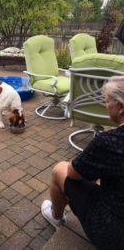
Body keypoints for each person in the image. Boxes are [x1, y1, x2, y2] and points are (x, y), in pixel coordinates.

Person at [41, 76, 124, 250]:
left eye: (107, 101)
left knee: (60, 169)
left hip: (113, 232)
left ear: (121, 107)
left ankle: (57, 217)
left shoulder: (109, 142)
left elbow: (73, 173)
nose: (105, 105)